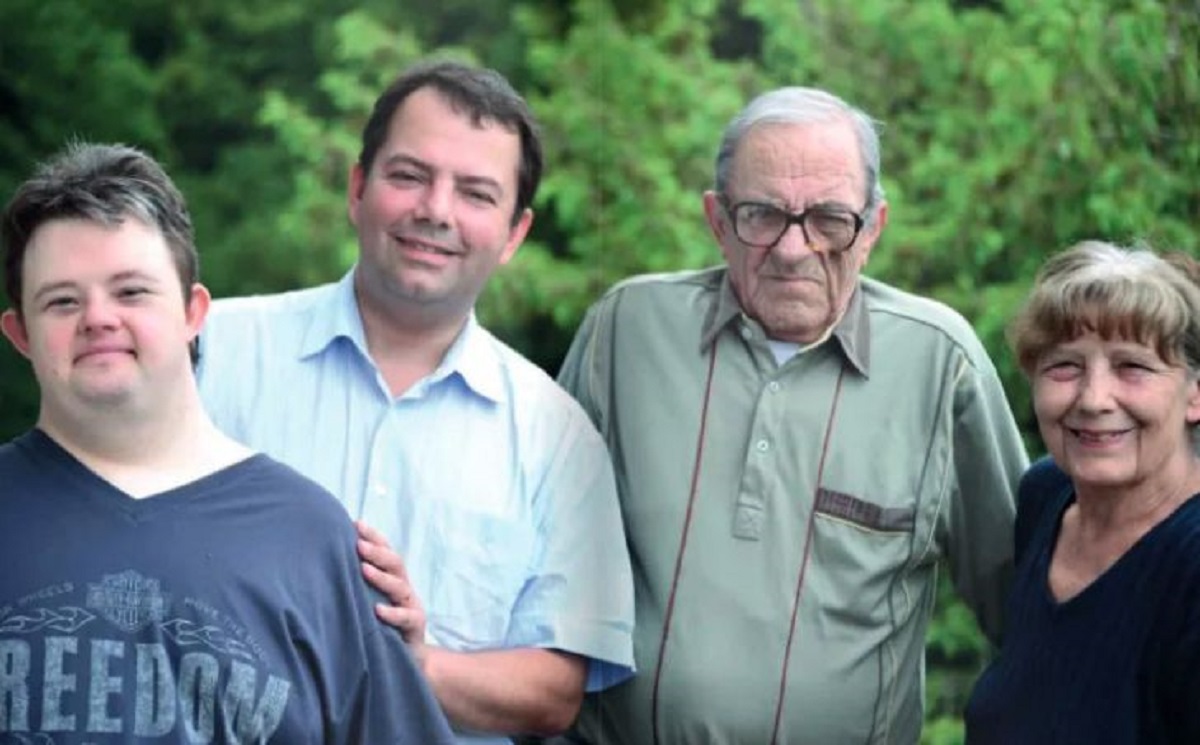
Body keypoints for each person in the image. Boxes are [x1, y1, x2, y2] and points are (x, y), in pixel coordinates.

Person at [556, 86, 1029, 743]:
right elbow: (538, 554)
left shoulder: (940, 364)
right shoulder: (627, 330)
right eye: (762, 214)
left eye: (830, 219)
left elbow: (1027, 610)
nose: (792, 248)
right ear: (718, 221)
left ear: (873, 230)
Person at [195, 60, 635, 743]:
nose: (436, 211)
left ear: (515, 233)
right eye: (409, 176)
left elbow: (556, 691)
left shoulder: (559, 435)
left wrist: (413, 665)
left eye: (476, 194)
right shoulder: (209, 352)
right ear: (357, 187)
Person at [0, 142, 455, 743]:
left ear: (194, 312)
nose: (98, 318)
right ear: (20, 334)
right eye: (62, 301)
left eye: (131, 292)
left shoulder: (311, 538)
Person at [964, 241, 1200, 744]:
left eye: (1132, 367)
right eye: (1065, 367)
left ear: (1194, 395)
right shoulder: (1046, 496)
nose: (1094, 399)